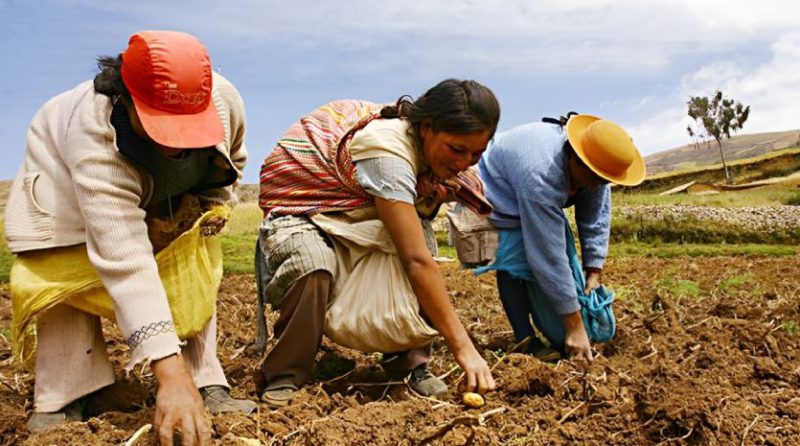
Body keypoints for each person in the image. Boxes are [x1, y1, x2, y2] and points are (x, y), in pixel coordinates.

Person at [5, 30, 255, 443]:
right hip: (61, 192)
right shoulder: (95, 138)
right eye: (163, 125)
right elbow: (125, 260)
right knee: (63, 272)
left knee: (192, 259)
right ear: (127, 99)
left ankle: (204, 379)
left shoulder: (223, 100)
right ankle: (64, 395)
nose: (176, 146)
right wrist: (165, 373)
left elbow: (234, 157)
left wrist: (210, 204)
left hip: (166, 190)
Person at [256, 79, 500, 408]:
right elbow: (415, 261)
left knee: (422, 241)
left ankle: (408, 364)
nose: (464, 163)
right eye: (457, 149)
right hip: (309, 209)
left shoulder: (438, 165)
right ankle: (287, 373)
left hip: (364, 211)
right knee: (310, 264)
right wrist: (463, 347)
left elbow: (415, 249)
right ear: (426, 128)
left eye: (476, 153)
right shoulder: (387, 153)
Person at [476, 113, 645, 361]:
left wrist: (594, 270)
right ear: (575, 160)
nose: (599, 185)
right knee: (513, 263)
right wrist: (574, 328)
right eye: (595, 179)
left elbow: (595, 217)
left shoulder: (596, 167)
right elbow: (549, 256)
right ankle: (525, 340)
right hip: (495, 191)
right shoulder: (541, 175)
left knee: (562, 273)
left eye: (604, 181)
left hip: (529, 188)